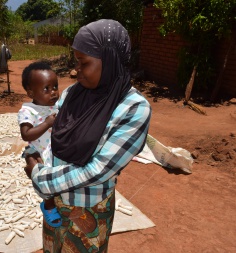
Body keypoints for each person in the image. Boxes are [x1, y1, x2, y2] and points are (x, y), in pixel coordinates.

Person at [24, 19, 152, 252]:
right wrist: (33, 154)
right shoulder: (73, 93)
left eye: (84, 63)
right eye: (76, 62)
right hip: (54, 203)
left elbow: (98, 170)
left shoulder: (133, 108)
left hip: (89, 209)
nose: (75, 71)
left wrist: (40, 178)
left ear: (110, 59)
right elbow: (51, 139)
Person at [18, 61, 62, 228]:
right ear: (31, 92)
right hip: (38, 150)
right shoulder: (28, 111)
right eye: (46, 89)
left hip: (54, 149)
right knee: (44, 179)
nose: (53, 92)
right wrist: (47, 124)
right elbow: (26, 134)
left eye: (55, 87)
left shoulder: (57, 106)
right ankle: (48, 206)